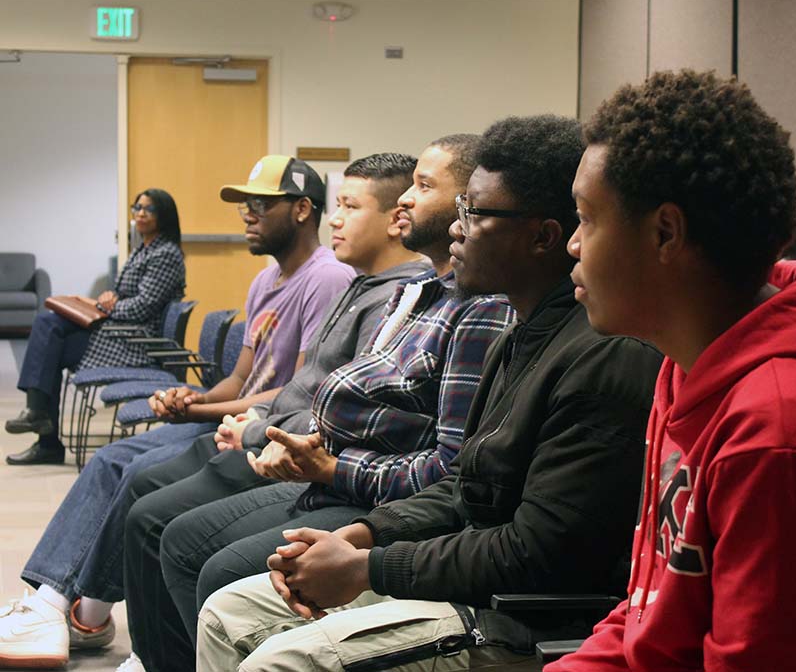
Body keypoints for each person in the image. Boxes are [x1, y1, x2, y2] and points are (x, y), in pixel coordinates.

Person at [194, 115, 663, 672]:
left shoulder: (605, 356)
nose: (456, 230)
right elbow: (466, 483)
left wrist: (370, 566)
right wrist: (364, 532)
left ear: (543, 237)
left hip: (522, 617)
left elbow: (536, 553)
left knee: (284, 662)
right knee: (228, 613)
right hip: (469, 577)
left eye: (476, 213)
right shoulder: (519, 334)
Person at [546, 70, 796, 670]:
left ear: (665, 233)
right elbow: (649, 612)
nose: (574, 245)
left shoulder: (784, 429)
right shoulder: (692, 368)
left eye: (586, 217)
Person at [120, 135, 514, 672]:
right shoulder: (413, 290)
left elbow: (448, 467)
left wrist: (314, 457)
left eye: (423, 187)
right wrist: (284, 438)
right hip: (314, 457)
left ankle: (76, 607)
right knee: (147, 500)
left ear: (470, 210)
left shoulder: (477, 308)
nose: (405, 202)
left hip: (360, 486)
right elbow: (324, 388)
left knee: (195, 552)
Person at [0, 155, 357, 669]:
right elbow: (241, 379)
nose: (247, 216)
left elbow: (290, 394)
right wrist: (194, 400)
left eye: (260, 205)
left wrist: (204, 414)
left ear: (302, 209)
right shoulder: (266, 282)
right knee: (111, 459)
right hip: (231, 416)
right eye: (244, 207)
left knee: (141, 474)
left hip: (260, 428)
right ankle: (60, 606)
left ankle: (81, 610)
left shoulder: (326, 279)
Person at [5, 188, 186, 465]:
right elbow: (128, 297)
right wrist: (110, 297)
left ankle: (44, 432)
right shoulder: (145, 249)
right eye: (136, 207)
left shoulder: (166, 254)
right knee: (48, 325)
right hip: (118, 333)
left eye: (147, 209)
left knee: (48, 346)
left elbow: (142, 307)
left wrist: (105, 307)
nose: (139, 213)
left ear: (164, 215)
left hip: (135, 343)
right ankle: (39, 418)